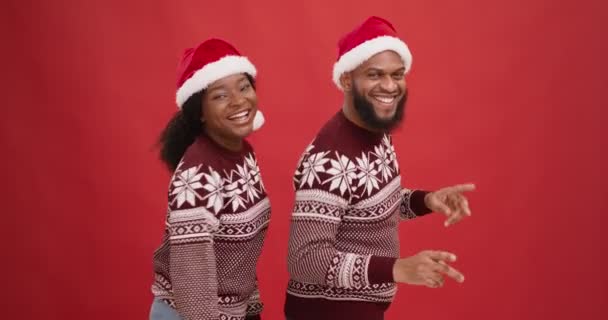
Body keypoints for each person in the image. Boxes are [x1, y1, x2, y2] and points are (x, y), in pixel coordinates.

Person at [285, 16, 476, 320]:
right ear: (347, 79)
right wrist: (397, 269)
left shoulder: (375, 133)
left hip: (361, 309)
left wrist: (425, 200)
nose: (389, 86)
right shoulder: (330, 158)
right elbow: (305, 259)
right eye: (375, 75)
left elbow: (364, 206)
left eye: (397, 74)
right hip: (326, 312)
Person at [150, 38, 270, 320]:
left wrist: (251, 311)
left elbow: (239, 257)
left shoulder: (243, 154)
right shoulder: (199, 171)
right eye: (220, 95)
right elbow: (193, 280)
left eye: (243, 87)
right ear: (199, 113)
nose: (239, 100)